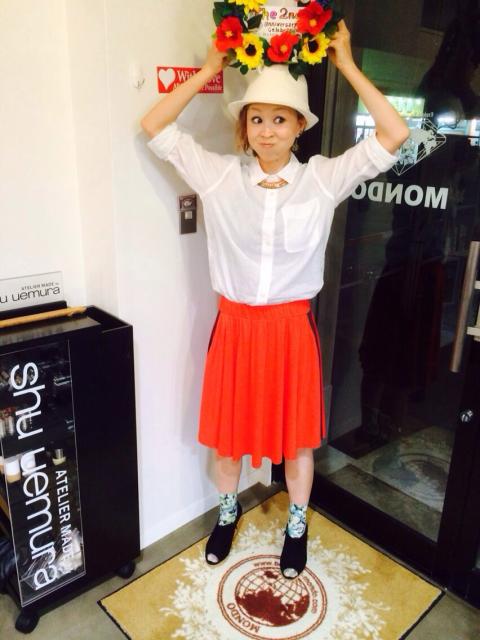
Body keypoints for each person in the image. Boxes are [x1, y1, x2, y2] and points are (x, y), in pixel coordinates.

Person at [141, 20, 409, 579]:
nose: (266, 131)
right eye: (256, 118)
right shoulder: (219, 176)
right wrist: (209, 70)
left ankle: (297, 525)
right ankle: (227, 512)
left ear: (299, 126)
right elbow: (154, 125)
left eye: (279, 119)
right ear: (244, 126)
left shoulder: (323, 179)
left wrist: (346, 65)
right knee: (227, 443)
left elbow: (394, 132)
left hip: (291, 330)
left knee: (297, 444)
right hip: (235, 328)